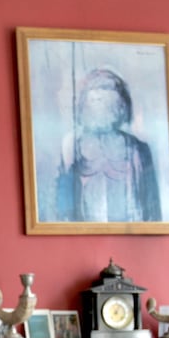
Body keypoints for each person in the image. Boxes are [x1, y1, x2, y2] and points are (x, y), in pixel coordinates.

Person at [54, 67, 161, 223]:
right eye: (94, 100)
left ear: (121, 107)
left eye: (106, 101)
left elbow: (152, 208)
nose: (98, 102)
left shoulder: (138, 149)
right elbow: (63, 208)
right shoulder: (71, 148)